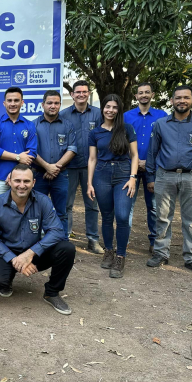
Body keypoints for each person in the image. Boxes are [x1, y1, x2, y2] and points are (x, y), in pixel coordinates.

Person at [0, 164, 76, 315]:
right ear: (10, 181)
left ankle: (51, 293)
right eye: (17, 181)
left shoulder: (43, 201)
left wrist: (30, 253)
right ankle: (7, 279)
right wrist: (15, 259)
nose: (21, 185)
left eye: (26, 181)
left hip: (33, 253)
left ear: (33, 183)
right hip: (7, 252)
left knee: (67, 249)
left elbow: (57, 230)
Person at [146, 85, 192, 275]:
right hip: (164, 176)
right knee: (162, 217)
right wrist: (150, 177)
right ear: (172, 101)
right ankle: (161, 253)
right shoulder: (160, 124)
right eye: (178, 98)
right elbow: (152, 152)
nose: (182, 101)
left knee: (190, 219)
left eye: (186, 97)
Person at [87, 94, 139, 278]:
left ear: (119, 110)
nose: (110, 110)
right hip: (101, 174)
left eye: (114, 107)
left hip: (123, 174)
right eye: (107, 106)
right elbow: (92, 159)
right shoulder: (95, 133)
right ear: (102, 108)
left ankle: (120, 256)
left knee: (123, 216)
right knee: (107, 216)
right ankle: (108, 251)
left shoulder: (127, 129)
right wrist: (89, 183)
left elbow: (134, 156)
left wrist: (133, 177)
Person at [124, 83, 168, 254]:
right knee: (128, 206)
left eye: (147, 92)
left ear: (152, 94)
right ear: (136, 96)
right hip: (130, 168)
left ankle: (155, 242)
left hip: (154, 169)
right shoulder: (126, 116)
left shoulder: (162, 116)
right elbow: (121, 141)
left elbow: (165, 143)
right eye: (140, 93)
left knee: (155, 207)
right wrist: (136, 162)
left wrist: (149, 163)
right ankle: (124, 240)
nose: (144, 95)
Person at [59, 80, 103, 253]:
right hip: (69, 167)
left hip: (91, 167)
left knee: (92, 204)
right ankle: (66, 238)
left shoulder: (98, 114)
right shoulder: (63, 115)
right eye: (78, 92)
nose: (81, 95)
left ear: (89, 93)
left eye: (84, 92)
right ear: (72, 95)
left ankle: (93, 239)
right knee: (66, 205)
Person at [32, 90, 77, 239]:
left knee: (61, 212)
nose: (53, 106)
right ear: (43, 104)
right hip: (38, 175)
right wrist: (47, 167)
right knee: (36, 211)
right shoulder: (33, 125)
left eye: (56, 103)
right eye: (49, 103)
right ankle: (35, 244)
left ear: (60, 104)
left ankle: (62, 244)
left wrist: (54, 168)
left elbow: (72, 149)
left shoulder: (68, 125)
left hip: (61, 176)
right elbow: (31, 151)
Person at [0, 86, 37, 199]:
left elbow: (32, 152)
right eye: (9, 100)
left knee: (23, 212)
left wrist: (15, 174)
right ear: (4, 103)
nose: (13, 103)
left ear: (22, 102)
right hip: (0, 179)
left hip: (23, 180)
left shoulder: (29, 125)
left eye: (16, 100)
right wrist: (18, 157)